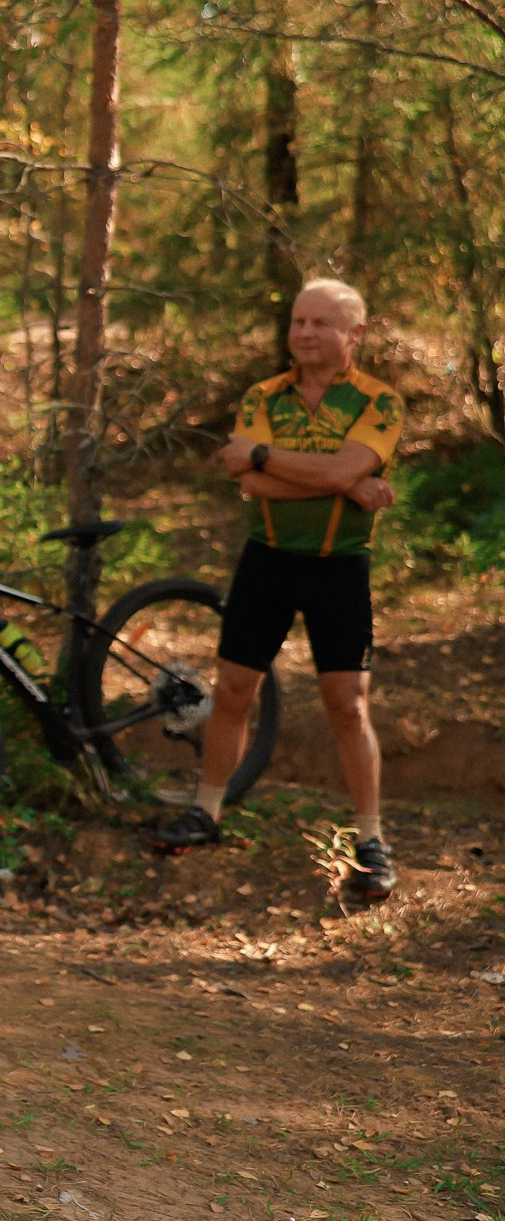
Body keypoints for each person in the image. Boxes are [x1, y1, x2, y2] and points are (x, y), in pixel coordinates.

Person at [153, 278, 404, 902]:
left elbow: (315, 465)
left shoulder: (380, 403)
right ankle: (206, 810)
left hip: (340, 565)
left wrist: (269, 456)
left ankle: (371, 841)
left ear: (356, 334)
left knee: (348, 704)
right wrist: (344, 484)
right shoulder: (263, 395)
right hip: (265, 561)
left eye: (322, 323)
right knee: (234, 690)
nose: (306, 334)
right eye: (298, 322)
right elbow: (251, 485)